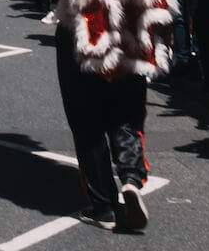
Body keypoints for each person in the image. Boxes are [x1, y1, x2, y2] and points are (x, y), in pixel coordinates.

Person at [56, 22, 152, 232]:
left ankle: (103, 207)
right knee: (126, 114)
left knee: (86, 121)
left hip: (82, 30)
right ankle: (130, 179)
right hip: (127, 27)